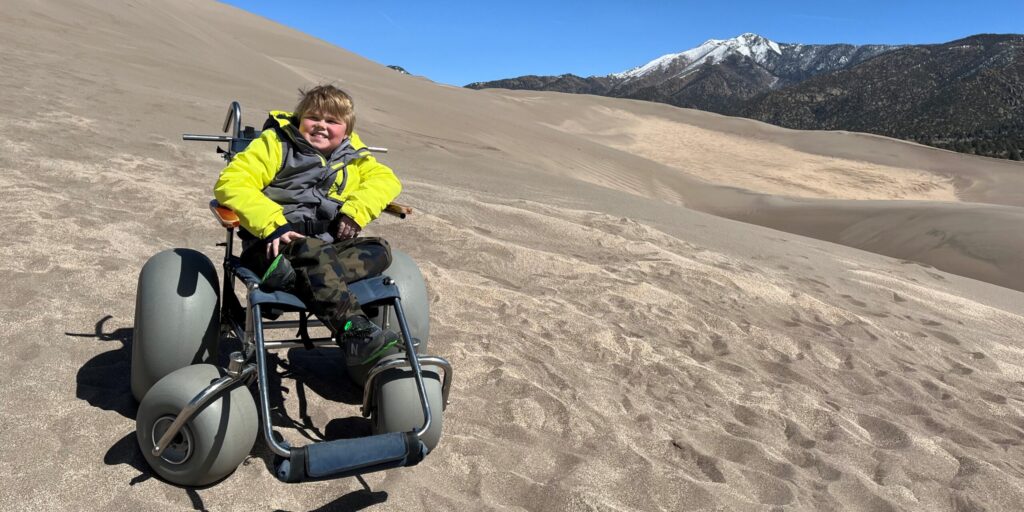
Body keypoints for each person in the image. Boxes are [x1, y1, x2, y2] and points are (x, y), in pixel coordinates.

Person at [214, 84, 401, 370]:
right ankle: (354, 331)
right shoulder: (276, 144)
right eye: (314, 117)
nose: (322, 126)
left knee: (380, 249)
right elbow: (232, 183)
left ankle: (297, 279)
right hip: (271, 247)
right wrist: (271, 224)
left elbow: (386, 181)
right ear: (300, 119)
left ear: (346, 131)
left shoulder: (354, 156)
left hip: (323, 248)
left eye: (332, 121)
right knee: (314, 251)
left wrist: (354, 212)